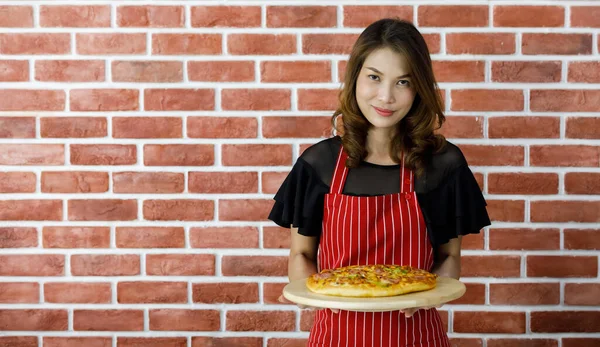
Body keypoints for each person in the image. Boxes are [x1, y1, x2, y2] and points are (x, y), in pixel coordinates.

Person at [267, 18, 491, 347]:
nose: (386, 96)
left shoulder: (442, 165)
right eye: (374, 77)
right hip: (336, 336)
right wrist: (306, 294)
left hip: (415, 336)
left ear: (419, 89)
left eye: (403, 82)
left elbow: (449, 257)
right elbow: (301, 253)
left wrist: (427, 296)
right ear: (355, 76)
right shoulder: (319, 164)